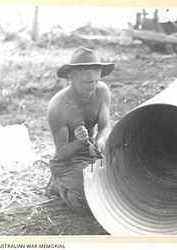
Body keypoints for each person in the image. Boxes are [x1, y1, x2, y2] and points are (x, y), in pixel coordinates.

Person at [46, 46, 115, 213]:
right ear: (71, 77)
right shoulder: (58, 107)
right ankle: (58, 183)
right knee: (91, 202)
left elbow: (105, 126)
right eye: (86, 82)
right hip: (68, 160)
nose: (92, 87)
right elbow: (61, 153)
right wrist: (78, 142)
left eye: (95, 81)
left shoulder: (102, 92)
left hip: (92, 153)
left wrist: (100, 140)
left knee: (122, 183)